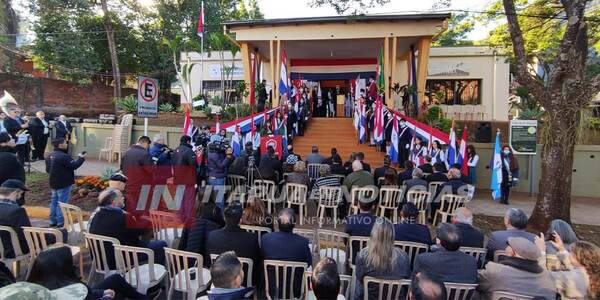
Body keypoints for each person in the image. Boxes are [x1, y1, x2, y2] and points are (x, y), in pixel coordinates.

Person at [27, 246, 149, 299]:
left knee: (115, 279)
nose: (73, 265)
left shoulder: (32, 288)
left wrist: (100, 292)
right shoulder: (73, 288)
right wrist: (105, 296)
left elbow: (89, 294)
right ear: (64, 267)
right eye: (71, 262)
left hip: (90, 294)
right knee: (118, 293)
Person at [88, 188, 167, 269]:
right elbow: (140, 230)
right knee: (161, 245)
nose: (123, 199)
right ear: (114, 202)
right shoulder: (121, 216)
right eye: (121, 197)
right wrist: (147, 220)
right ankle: (157, 273)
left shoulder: (95, 215)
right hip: (121, 259)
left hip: (100, 260)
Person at [477, 237, 555, 299]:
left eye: (508, 245)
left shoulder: (495, 271)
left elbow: (473, 282)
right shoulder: (549, 280)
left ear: (512, 252)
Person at [354, 218, 410, 300]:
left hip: (370, 298)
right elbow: (406, 282)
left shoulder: (363, 256)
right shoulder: (404, 256)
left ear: (373, 234)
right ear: (392, 235)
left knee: (358, 282)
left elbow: (360, 281)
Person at [262, 208, 312, 299]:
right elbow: (308, 263)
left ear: (277, 222)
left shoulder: (266, 239)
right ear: (294, 224)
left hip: (272, 291)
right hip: (295, 292)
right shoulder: (303, 243)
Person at [207, 202, 261, 286]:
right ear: (241, 220)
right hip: (244, 282)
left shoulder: (212, 235)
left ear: (224, 218)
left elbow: (208, 261)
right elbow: (257, 264)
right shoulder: (252, 238)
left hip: (219, 280)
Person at [535, 234, 600, 300]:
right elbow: (573, 266)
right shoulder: (592, 272)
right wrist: (561, 248)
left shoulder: (567, 277)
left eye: (570, 252)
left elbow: (543, 277)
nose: (569, 254)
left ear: (578, 258)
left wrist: (541, 252)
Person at [413, 223, 478, 283]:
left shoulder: (424, 259)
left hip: (433, 295)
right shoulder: (472, 262)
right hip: (461, 295)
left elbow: (415, 281)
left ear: (438, 241)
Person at [45, 138, 85, 227]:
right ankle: (60, 222)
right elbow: (74, 165)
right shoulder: (63, 156)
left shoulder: (49, 155)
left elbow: (48, 170)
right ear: (60, 145)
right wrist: (81, 158)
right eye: (64, 143)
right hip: (64, 183)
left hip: (53, 182)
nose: (66, 144)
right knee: (62, 203)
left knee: (54, 202)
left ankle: (52, 221)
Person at [178, 190, 224, 267]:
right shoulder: (215, 209)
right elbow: (222, 225)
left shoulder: (194, 209)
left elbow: (183, 242)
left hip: (191, 255)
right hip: (208, 254)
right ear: (211, 196)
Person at [0, 180, 32, 258]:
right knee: (58, 235)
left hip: (3, 248)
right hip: (12, 250)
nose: (21, 196)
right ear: (15, 193)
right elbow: (26, 235)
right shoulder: (17, 211)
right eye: (21, 193)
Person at [206, 141, 234, 212]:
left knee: (217, 200)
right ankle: (220, 218)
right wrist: (228, 156)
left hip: (216, 177)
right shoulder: (213, 155)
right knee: (219, 201)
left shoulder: (217, 153)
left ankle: (216, 217)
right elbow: (221, 165)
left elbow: (228, 160)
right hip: (216, 179)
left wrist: (228, 154)